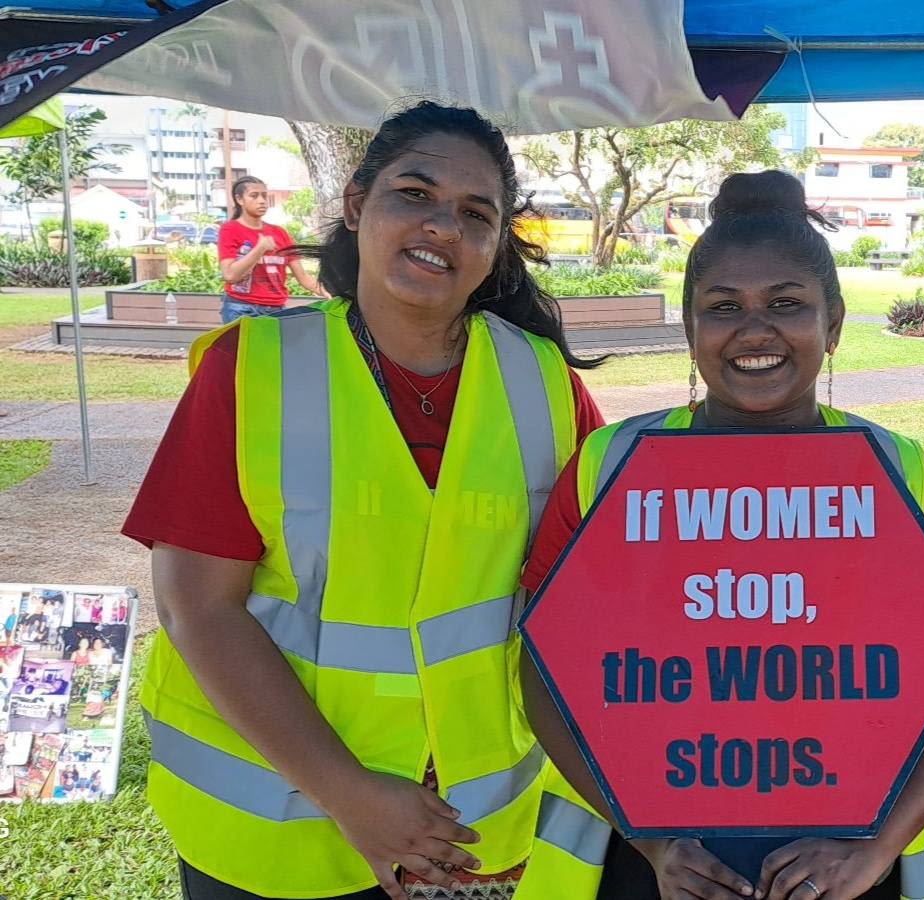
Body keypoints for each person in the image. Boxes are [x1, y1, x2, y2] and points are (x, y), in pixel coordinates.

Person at [124, 101, 606, 900]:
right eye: (414, 193)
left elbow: (602, 586)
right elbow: (197, 608)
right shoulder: (255, 369)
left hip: (466, 828)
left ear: (496, 243)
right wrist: (353, 798)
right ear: (357, 204)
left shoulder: (545, 386)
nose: (442, 226)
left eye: (474, 213)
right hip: (272, 827)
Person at [514, 171, 924, 900]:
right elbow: (544, 667)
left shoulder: (900, 472)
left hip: (853, 868)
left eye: (786, 304)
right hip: (652, 868)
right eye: (723, 307)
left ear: (833, 324)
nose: (754, 330)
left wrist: (873, 852)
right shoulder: (609, 466)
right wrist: (651, 843)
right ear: (689, 327)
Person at [218, 175, 326, 323]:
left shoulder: (280, 233)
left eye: (264, 195)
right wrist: (259, 249)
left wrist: (328, 292)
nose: (262, 201)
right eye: (254, 196)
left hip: (276, 310)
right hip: (241, 309)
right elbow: (230, 275)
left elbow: (303, 278)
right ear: (239, 199)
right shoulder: (230, 229)